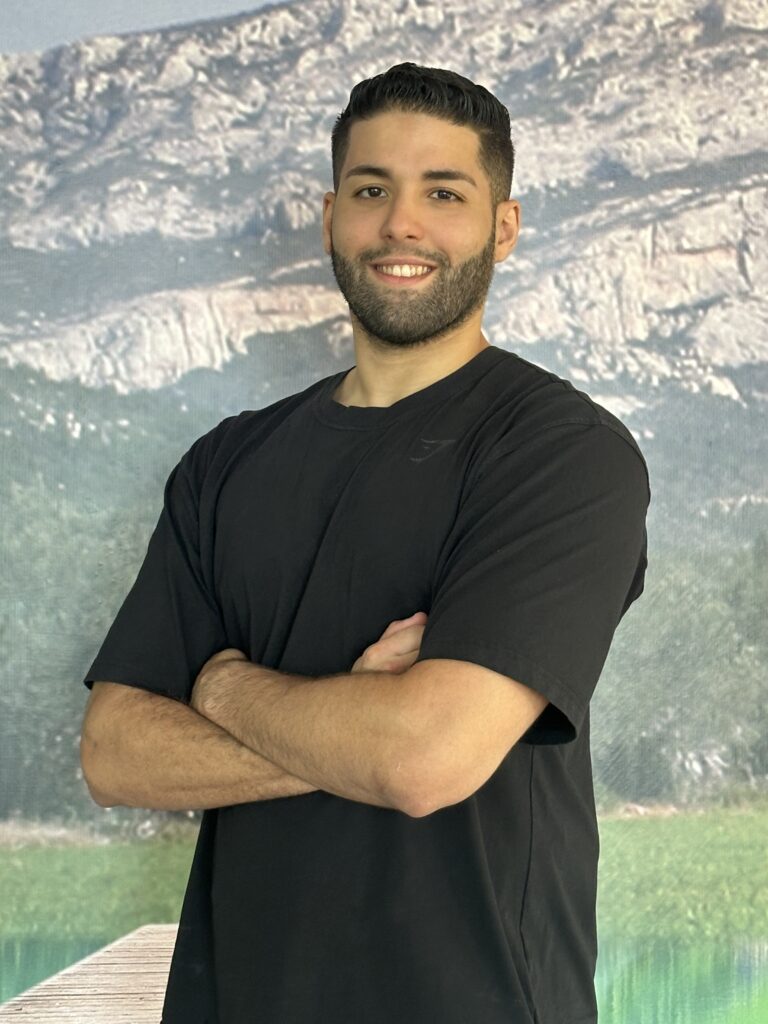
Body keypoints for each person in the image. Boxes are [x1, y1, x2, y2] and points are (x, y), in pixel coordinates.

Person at [80, 62, 650, 1024]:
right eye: (372, 189)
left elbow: (426, 760)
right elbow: (116, 754)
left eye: (445, 192)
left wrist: (219, 687)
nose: (402, 225)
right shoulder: (227, 463)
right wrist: (360, 726)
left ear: (503, 228)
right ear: (331, 215)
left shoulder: (561, 453)